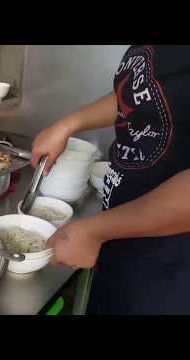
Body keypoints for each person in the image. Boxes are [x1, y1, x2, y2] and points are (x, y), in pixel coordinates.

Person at [30, 45, 190, 315]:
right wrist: (68, 124)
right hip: (124, 243)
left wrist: (96, 230)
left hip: (171, 271)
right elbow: (141, 98)